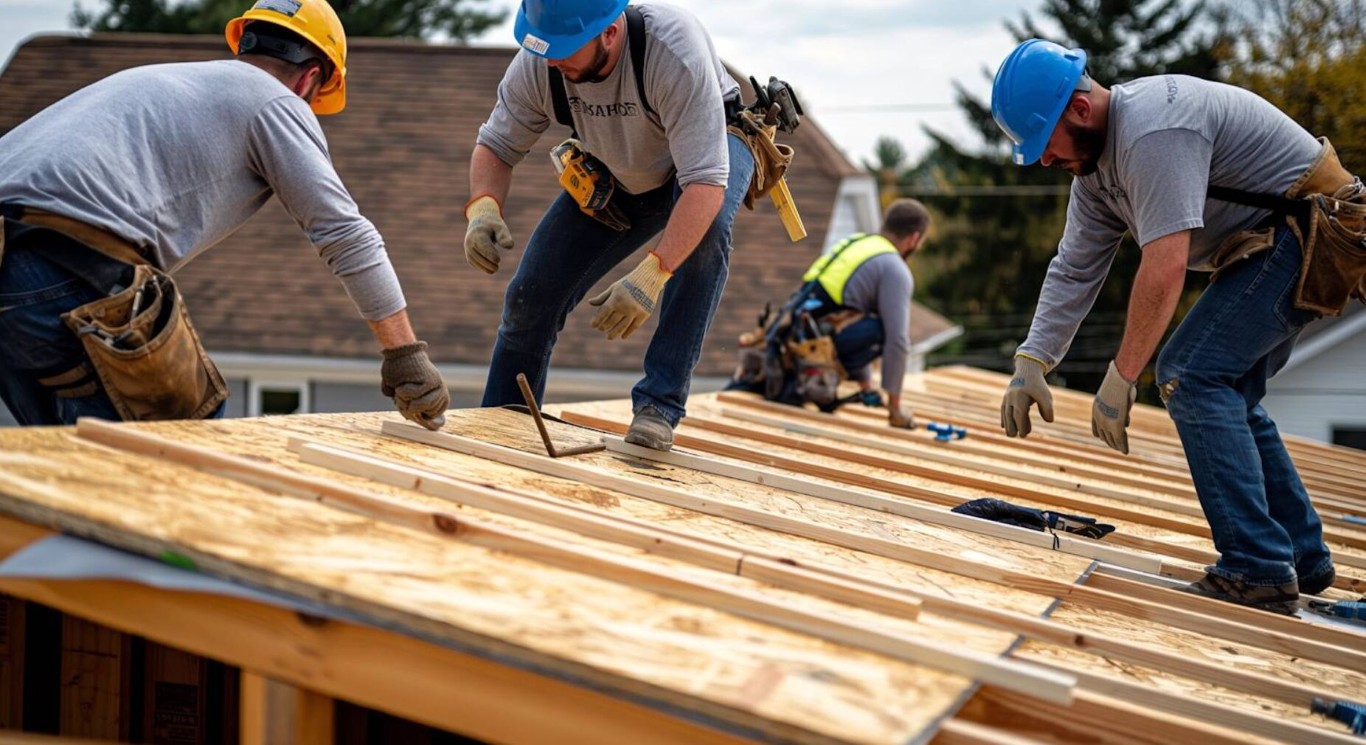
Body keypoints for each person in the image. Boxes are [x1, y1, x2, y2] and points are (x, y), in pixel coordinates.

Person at [990, 39, 1355, 613]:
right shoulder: (1094, 173)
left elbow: (1164, 266)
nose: (1042, 160)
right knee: (1227, 389)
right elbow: (1074, 267)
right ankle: (1302, 559)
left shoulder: (1153, 131)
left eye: (1044, 144)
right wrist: (1032, 360)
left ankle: (1257, 567)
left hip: (1310, 232)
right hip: (1271, 243)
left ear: (1079, 111)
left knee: (1191, 372)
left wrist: (1122, 377)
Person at [0, 0, 448, 430]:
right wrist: (403, 354)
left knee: (59, 457)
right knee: (185, 439)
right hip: (58, 263)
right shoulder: (276, 101)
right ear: (310, 79)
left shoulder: (156, 81)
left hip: (14, 255)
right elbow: (346, 234)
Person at [464, 0, 755, 452]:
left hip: (704, 161)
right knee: (530, 296)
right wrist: (483, 206)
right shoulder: (543, 61)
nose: (552, 60)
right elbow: (496, 146)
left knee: (709, 229)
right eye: (545, 49)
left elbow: (704, 184)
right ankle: (503, 419)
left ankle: (660, 405)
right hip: (620, 170)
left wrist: (653, 273)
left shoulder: (673, 52)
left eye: (564, 49)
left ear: (610, 34)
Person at [726, 199, 930, 428]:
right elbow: (897, 341)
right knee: (883, 330)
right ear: (914, 238)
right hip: (804, 354)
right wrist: (895, 408)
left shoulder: (858, 243)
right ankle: (808, 385)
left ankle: (802, 383)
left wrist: (865, 386)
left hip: (788, 341)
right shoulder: (894, 268)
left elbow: (846, 316)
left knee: (868, 325)